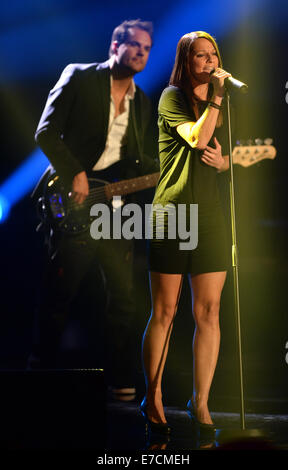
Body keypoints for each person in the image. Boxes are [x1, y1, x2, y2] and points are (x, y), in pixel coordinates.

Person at [30, 19, 159, 400]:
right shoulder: (79, 77)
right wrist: (76, 174)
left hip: (115, 208)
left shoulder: (144, 102)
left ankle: (119, 380)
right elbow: (46, 131)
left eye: (147, 48)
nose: (141, 53)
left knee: (123, 296)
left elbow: (137, 161)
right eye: (135, 45)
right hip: (72, 199)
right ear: (115, 45)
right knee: (61, 292)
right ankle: (38, 375)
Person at [141, 31, 231, 433]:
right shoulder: (171, 97)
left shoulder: (221, 104)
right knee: (166, 310)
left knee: (209, 311)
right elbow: (196, 138)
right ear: (186, 59)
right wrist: (214, 99)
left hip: (210, 215)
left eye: (214, 55)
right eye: (201, 56)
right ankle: (154, 394)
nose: (210, 62)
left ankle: (202, 401)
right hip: (174, 214)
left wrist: (226, 164)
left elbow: (217, 150)